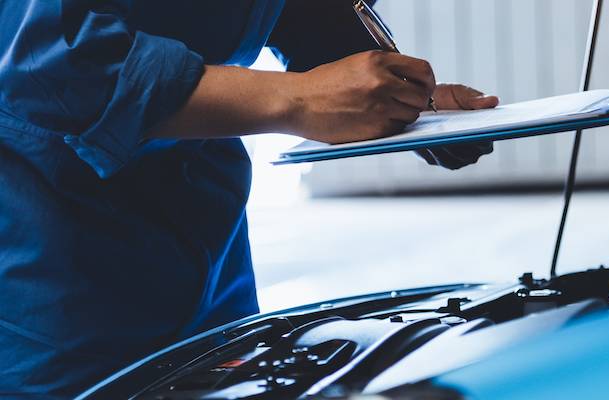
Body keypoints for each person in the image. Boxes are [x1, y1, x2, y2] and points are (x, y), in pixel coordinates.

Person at [0, 1, 497, 397]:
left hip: (205, 220)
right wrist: (299, 99)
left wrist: (395, 97)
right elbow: (50, 56)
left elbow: (299, 12)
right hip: (51, 241)